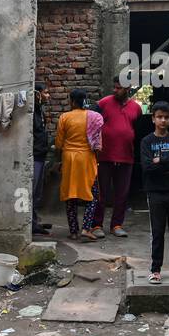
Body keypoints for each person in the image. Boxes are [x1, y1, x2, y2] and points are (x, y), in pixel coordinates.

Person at [140, 101, 169, 282]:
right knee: (158, 232)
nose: (163, 120)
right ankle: (155, 270)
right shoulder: (147, 141)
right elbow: (147, 167)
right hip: (155, 192)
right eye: (159, 117)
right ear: (153, 118)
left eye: (166, 117)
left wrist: (159, 161)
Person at [94, 76, 142, 238]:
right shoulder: (103, 103)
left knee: (122, 193)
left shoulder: (136, 108)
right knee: (101, 192)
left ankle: (116, 224)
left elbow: (137, 130)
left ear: (128, 88)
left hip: (126, 156)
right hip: (104, 156)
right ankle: (96, 225)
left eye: (119, 88)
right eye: (114, 87)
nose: (115, 90)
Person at [54, 88, 100, 241]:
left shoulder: (64, 117)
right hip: (87, 159)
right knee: (91, 195)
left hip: (69, 159)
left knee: (70, 195)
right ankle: (86, 228)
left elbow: (59, 143)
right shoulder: (93, 117)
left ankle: (73, 231)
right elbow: (98, 144)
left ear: (72, 101)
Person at [32, 82, 51, 236]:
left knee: (37, 192)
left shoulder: (39, 111)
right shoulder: (32, 111)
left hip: (41, 154)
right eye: (45, 92)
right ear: (37, 94)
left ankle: (34, 221)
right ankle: (31, 223)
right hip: (35, 155)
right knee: (32, 191)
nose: (48, 95)